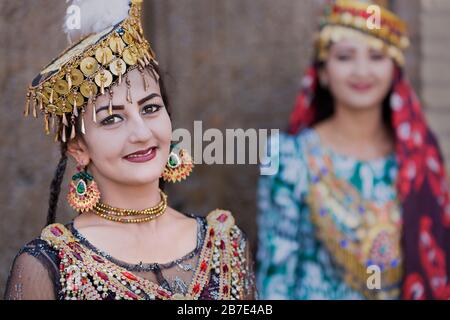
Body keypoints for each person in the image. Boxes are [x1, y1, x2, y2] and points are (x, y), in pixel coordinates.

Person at [4, 0, 256, 300]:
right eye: (112, 118)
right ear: (78, 148)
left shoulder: (226, 244)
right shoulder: (49, 267)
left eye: (150, 108)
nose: (141, 133)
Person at [257, 0, 450, 300]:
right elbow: (276, 274)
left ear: (395, 70)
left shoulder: (417, 157)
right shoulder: (287, 156)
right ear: (322, 71)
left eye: (376, 56)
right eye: (345, 57)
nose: (362, 71)